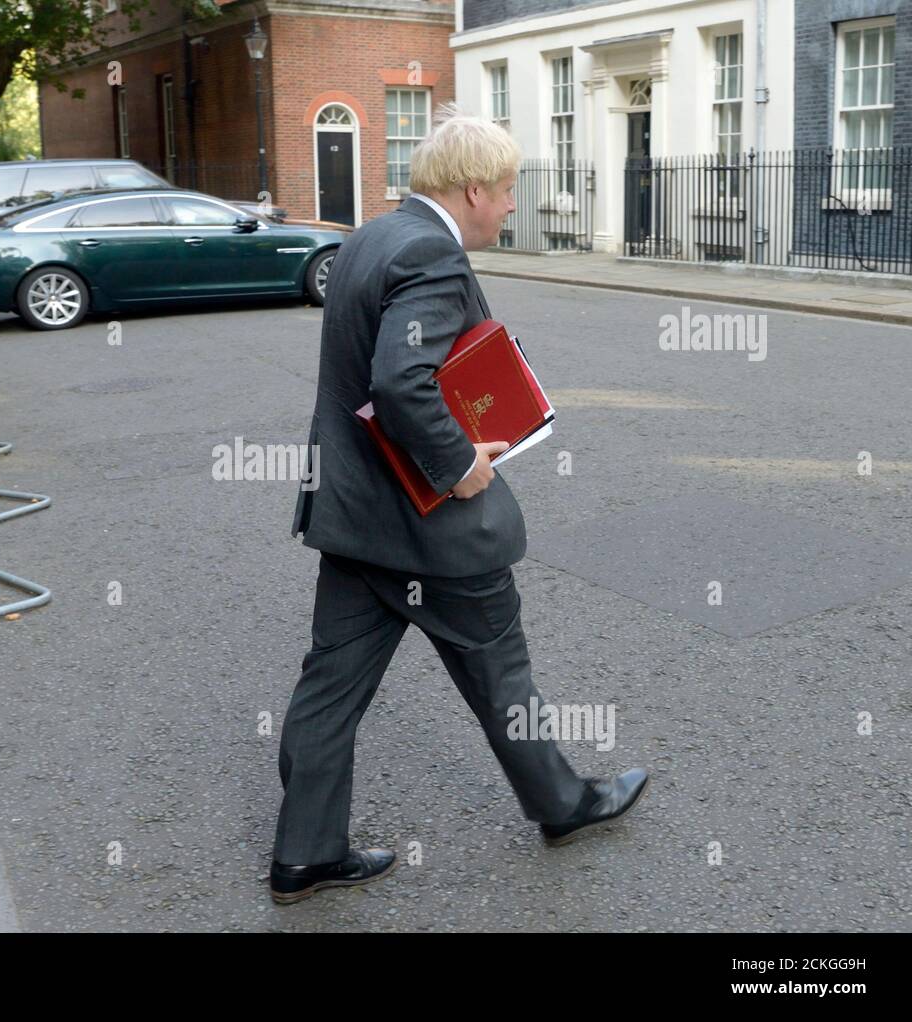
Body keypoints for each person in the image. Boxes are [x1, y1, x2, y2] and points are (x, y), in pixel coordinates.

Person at [270, 102, 649, 905]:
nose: (513, 204)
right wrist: (456, 467)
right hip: (428, 525)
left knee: (329, 688)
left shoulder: (373, 235)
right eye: (509, 189)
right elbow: (398, 381)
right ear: (474, 189)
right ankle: (564, 805)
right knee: (501, 673)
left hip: (354, 520)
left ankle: (303, 855)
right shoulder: (433, 258)